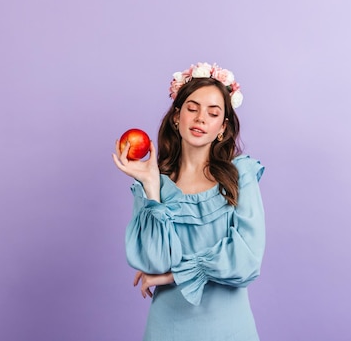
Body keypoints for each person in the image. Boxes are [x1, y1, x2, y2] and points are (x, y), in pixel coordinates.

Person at [112, 63, 266, 341]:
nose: (201, 119)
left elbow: (247, 262)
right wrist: (150, 185)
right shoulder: (153, 184)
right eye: (192, 108)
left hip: (230, 329)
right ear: (176, 116)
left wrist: (172, 276)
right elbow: (153, 262)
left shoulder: (240, 176)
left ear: (223, 126)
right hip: (167, 329)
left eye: (213, 112)